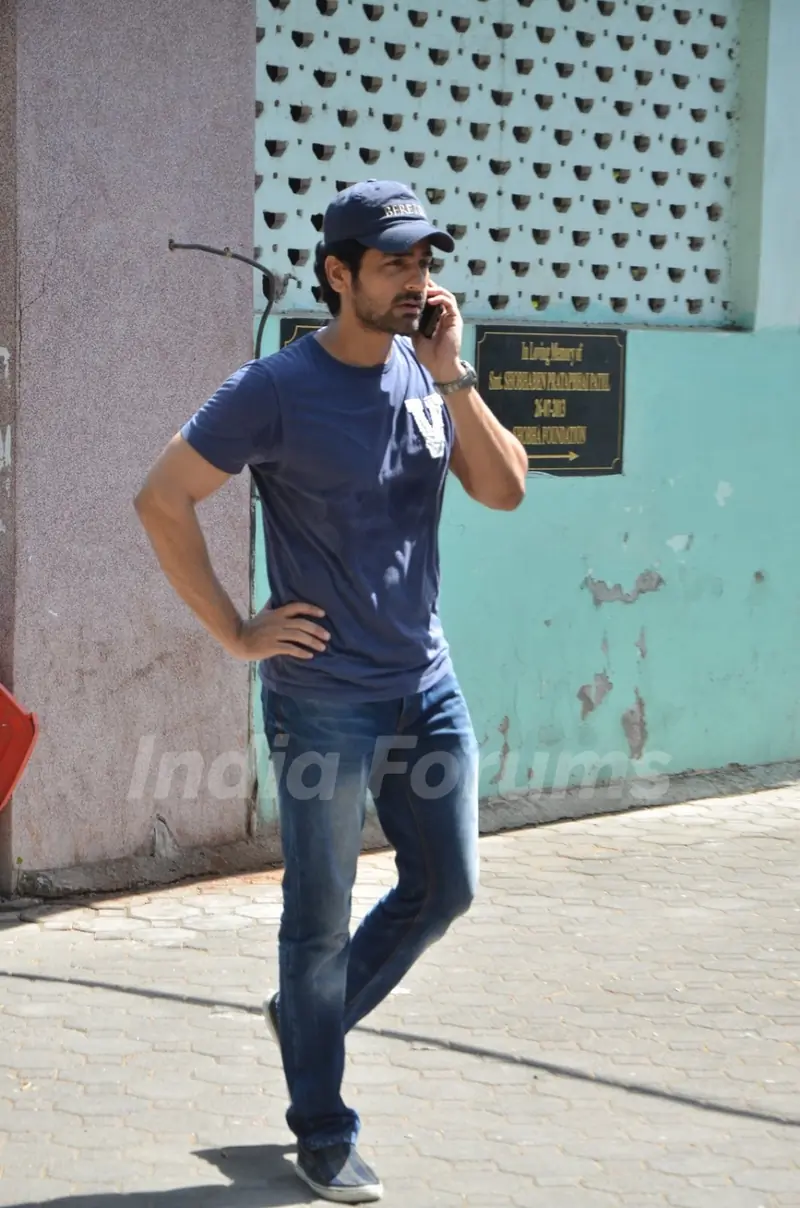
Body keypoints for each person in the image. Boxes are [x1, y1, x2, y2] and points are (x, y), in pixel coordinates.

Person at [134, 180, 528, 1203]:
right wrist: (234, 630)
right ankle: (322, 1126)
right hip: (324, 699)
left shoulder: (425, 371)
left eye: (424, 262)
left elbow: (505, 487)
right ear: (337, 272)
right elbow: (162, 496)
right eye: (394, 263)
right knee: (317, 920)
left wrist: (452, 374)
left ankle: (307, 1018)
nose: (416, 281)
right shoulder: (274, 388)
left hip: (424, 684)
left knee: (446, 885)